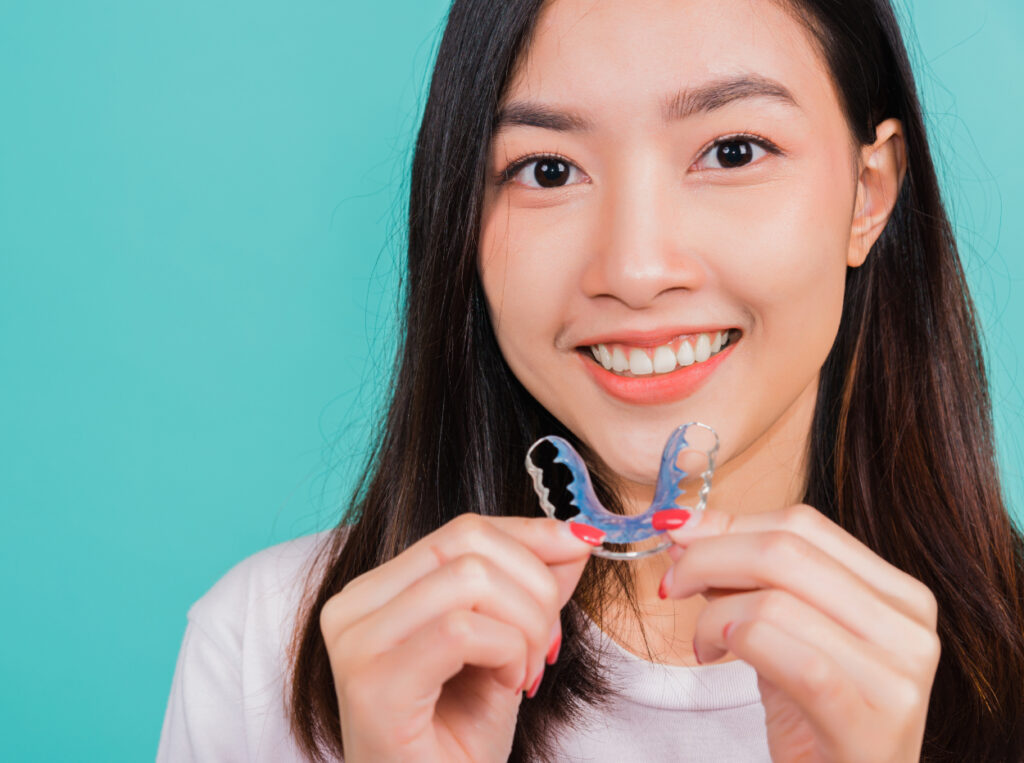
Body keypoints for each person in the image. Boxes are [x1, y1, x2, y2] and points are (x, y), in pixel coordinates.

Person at [157, 0, 1024, 760]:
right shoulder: (261, 653)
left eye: (731, 150)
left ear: (868, 193)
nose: (635, 269)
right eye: (547, 170)